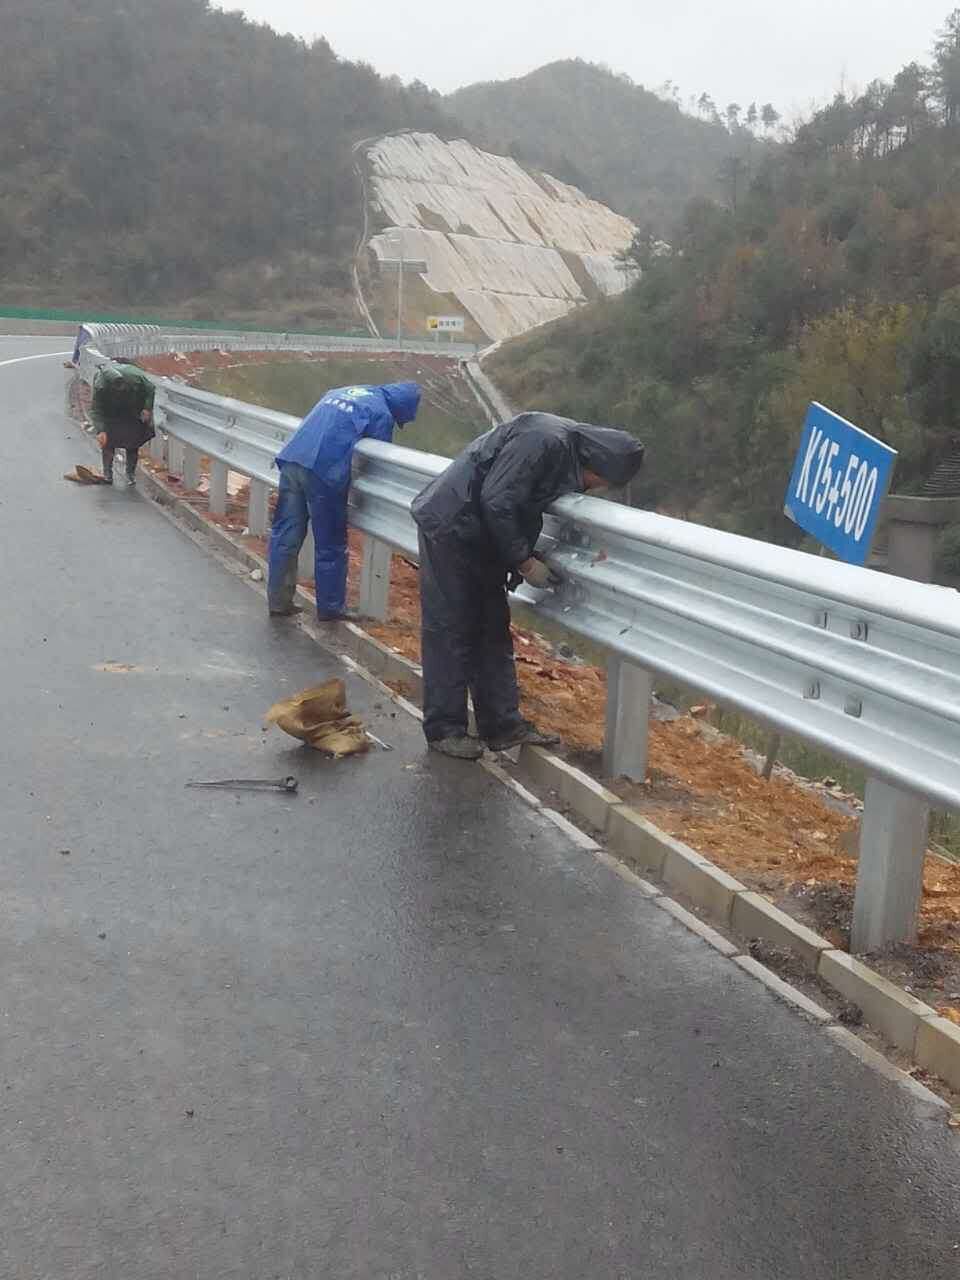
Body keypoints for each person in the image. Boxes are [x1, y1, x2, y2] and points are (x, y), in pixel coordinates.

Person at [411, 412, 646, 760]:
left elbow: (516, 503)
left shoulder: (563, 451)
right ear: (598, 463)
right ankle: (445, 730)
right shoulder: (544, 441)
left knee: (492, 631)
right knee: (451, 628)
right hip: (451, 528)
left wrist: (522, 552)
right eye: (601, 480)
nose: (597, 487)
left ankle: (503, 727)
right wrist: (523, 560)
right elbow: (497, 499)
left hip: (483, 535)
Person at [267, 382, 421, 620]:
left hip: (292, 458)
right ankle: (331, 608)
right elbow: (377, 461)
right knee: (330, 544)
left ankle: (278, 602)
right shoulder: (381, 413)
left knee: (285, 534)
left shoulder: (343, 391)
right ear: (403, 407)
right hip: (323, 472)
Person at [87, 362, 155, 486]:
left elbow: (150, 389)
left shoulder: (134, 375)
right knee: (107, 442)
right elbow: (96, 410)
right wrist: (101, 430)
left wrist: (147, 407)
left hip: (133, 409)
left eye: (120, 386)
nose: (119, 390)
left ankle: (130, 474)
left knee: (133, 442)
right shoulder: (100, 387)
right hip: (111, 412)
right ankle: (107, 474)